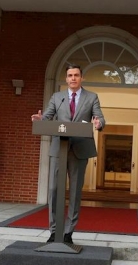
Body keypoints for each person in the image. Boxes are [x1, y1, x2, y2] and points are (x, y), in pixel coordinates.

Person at [31, 64, 105, 244]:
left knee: (74, 193)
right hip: (59, 149)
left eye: (76, 75)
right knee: (54, 190)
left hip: (79, 149)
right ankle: (54, 230)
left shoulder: (92, 97)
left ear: (82, 78)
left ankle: (68, 232)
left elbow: (99, 117)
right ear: (66, 78)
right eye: (70, 75)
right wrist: (41, 120)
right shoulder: (58, 97)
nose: (73, 78)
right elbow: (47, 117)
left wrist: (99, 123)